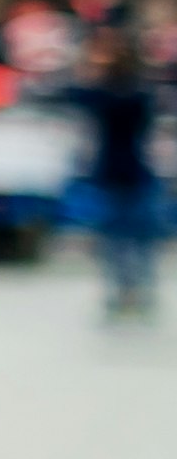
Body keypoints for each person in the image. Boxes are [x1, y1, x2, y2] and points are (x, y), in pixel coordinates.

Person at [60, 21, 163, 320]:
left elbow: (76, 92)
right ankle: (134, 288)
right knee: (134, 238)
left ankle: (125, 288)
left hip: (116, 171)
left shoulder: (112, 96)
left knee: (117, 238)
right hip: (131, 171)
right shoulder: (140, 93)